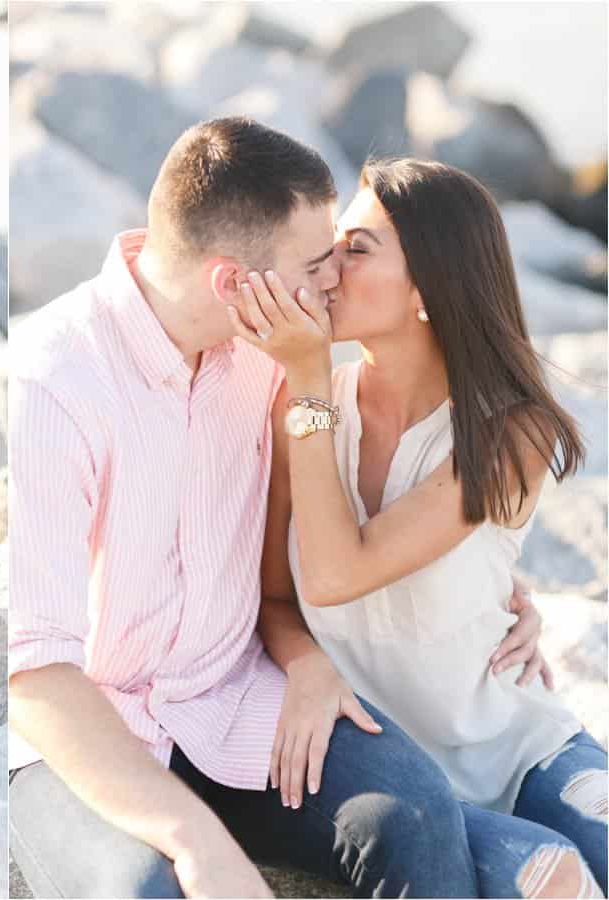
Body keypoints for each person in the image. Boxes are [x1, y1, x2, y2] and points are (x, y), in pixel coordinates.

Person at [7, 117, 551, 898]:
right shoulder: (56, 380)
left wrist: (497, 591)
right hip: (88, 727)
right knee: (146, 890)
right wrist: (192, 837)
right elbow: (36, 669)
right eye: (317, 263)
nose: (333, 281)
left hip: (235, 695)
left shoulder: (279, 359)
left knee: (413, 816)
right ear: (233, 282)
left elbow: (362, 522)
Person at [232, 157, 607, 898]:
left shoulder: (509, 434)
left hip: (515, 742)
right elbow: (288, 596)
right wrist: (307, 662)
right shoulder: (302, 411)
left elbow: (347, 569)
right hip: (397, 777)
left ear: (431, 287)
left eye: (357, 249)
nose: (328, 269)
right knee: (552, 879)